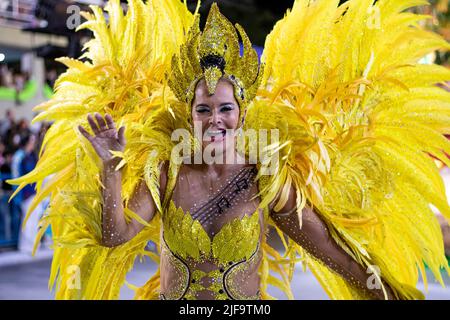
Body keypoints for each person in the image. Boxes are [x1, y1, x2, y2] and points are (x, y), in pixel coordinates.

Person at [8, 0, 450, 300]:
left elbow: (331, 252)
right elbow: (113, 235)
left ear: (241, 113)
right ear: (190, 114)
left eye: (225, 108)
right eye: (204, 109)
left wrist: (386, 292)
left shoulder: (265, 178)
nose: (215, 119)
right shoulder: (166, 171)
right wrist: (108, 169)